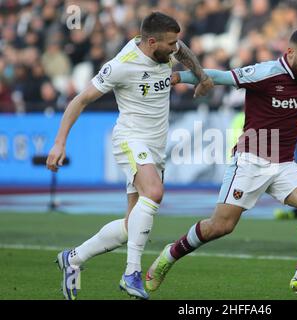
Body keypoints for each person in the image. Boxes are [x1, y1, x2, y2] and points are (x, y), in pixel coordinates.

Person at [145, 27, 297, 294]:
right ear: (290, 52)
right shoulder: (267, 73)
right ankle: (170, 254)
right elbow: (220, 76)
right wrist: (179, 77)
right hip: (251, 159)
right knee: (221, 226)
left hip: (283, 163)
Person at [46, 12, 214, 300]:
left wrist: (201, 76)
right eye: (170, 43)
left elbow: (184, 51)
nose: (175, 48)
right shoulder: (121, 66)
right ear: (151, 42)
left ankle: (73, 258)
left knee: (129, 226)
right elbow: (80, 100)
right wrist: (59, 143)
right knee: (154, 191)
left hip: (156, 147)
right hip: (130, 139)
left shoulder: (167, 48)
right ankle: (131, 274)